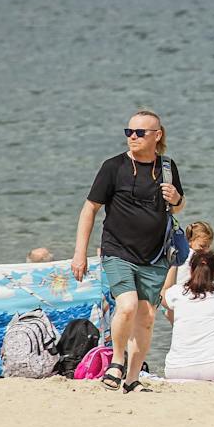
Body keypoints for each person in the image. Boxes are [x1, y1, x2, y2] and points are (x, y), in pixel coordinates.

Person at [71, 111, 185, 393]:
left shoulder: (168, 167)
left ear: (156, 136)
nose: (132, 137)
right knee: (127, 307)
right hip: (117, 251)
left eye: (139, 132)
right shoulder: (113, 167)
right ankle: (116, 361)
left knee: (146, 319)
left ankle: (132, 378)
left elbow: (178, 208)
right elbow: (90, 209)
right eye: (129, 132)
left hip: (155, 255)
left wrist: (178, 199)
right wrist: (79, 253)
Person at [161, 250, 214, 381]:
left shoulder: (177, 292)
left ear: (191, 272)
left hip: (176, 370)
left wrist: (174, 265)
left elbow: (163, 293)